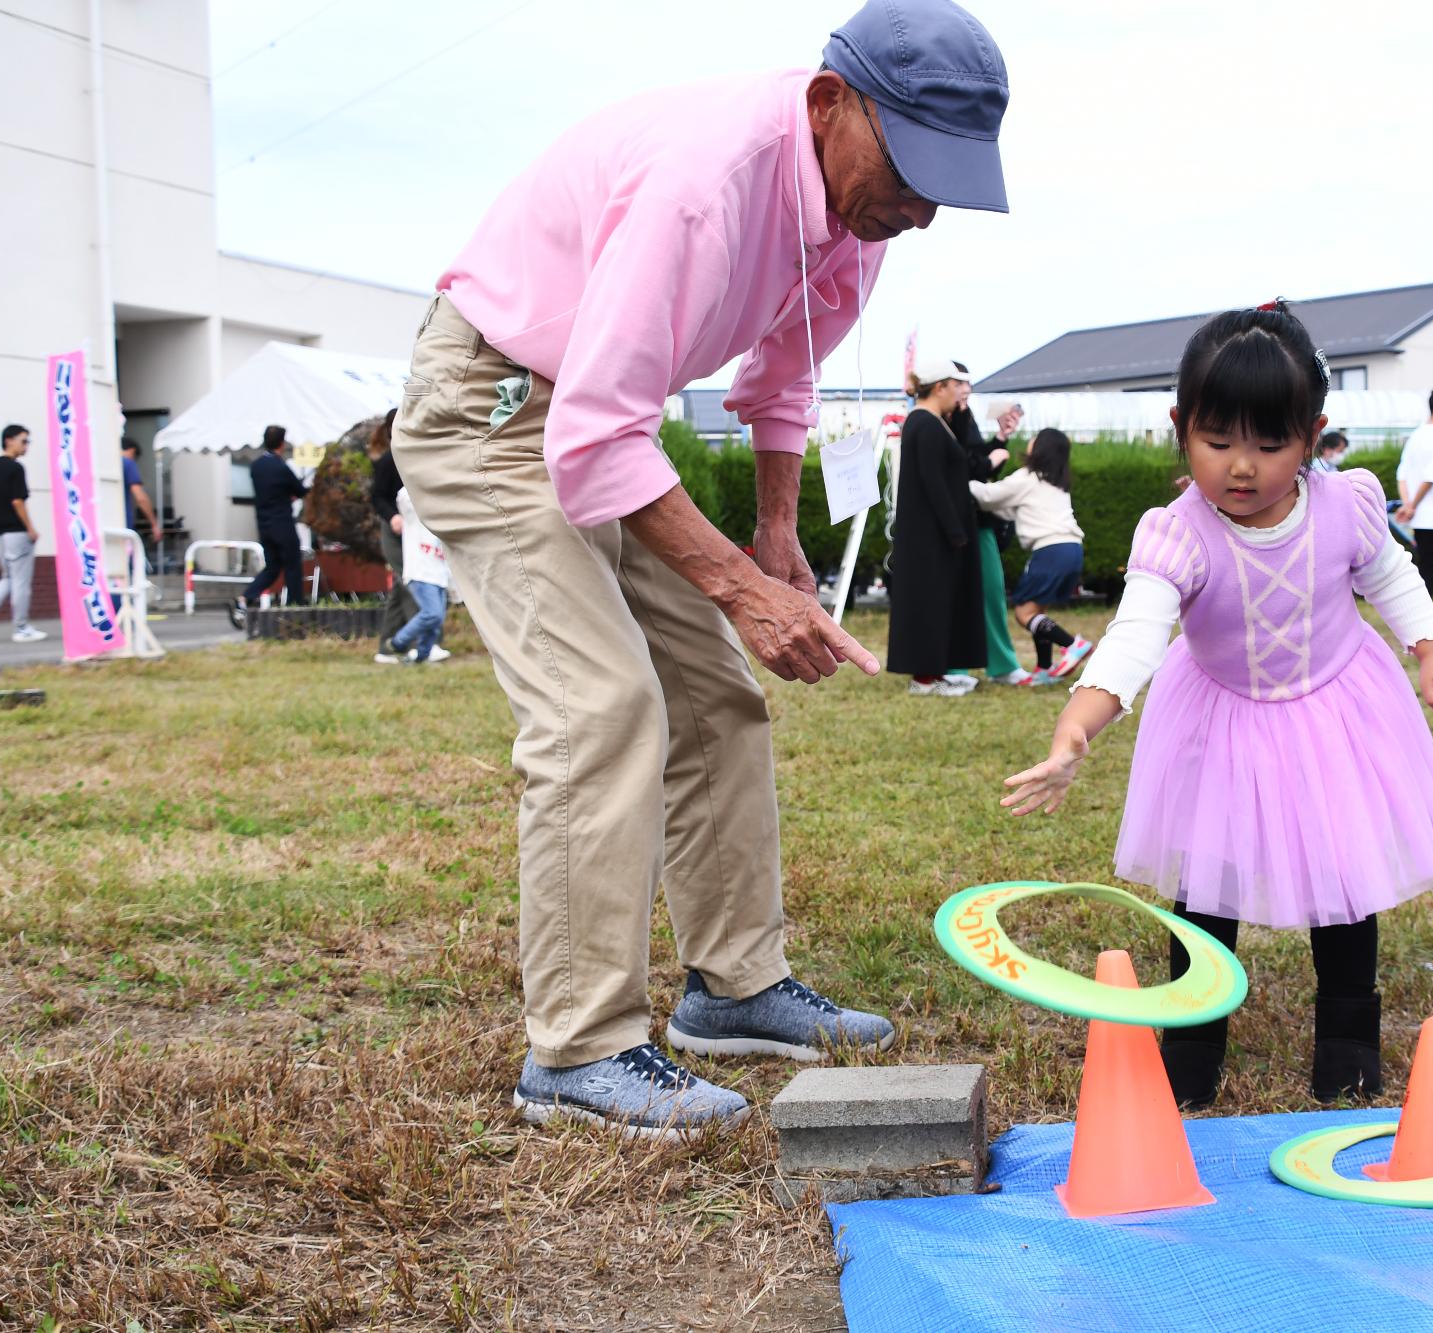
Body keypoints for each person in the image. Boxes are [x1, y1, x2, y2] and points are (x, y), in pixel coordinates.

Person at [392, 0, 1010, 1139]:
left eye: (947, 180)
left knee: (717, 697)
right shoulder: (702, 189)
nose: (921, 208)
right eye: (912, 168)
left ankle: (735, 990)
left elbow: (781, 385)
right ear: (831, 106)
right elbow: (588, 436)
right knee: (601, 705)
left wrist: (774, 541)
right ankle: (576, 1050)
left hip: (591, 416)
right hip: (490, 407)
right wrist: (737, 586)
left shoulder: (854, 218)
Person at [1001, 302, 1433, 1110]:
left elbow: (1391, 575)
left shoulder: (1346, 503)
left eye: (1270, 444)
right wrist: (1074, 727)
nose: (1243, 467)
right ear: (1180, 427)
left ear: (1312, 432)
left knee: (1344, 869)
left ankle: (1350, 1043)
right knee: (1209, 885)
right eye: (1219, 442)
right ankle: (1192, 1044)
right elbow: (1133, 638)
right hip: (1224, 714)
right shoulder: (1178, 534)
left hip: (1336, 705)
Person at [888, 356, 986, 695]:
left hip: (936, 534)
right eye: (955, 385)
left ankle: (937, 671)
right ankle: (925, 677)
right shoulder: (924, 423)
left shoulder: (932, 421)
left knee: (941, 600)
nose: (959, 392)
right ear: (939, 387)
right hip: (931, 536)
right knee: (930, 601)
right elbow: (933, 481)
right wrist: (954, 530)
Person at [969, 427, 1094, 683]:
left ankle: (1072, 644)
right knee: (1038, 611)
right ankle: (1044, 669)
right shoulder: (1057, 483)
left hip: (1050, 550)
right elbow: (1010, 510)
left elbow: (989, 497)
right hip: (1071, 549)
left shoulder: (1027, 477)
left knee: (1024, 613)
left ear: (1041, 447)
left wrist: (965, 479)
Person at [949, 375, 1030, 684]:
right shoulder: (932, 420)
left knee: (992, 589)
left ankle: (1002, 664)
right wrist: (991, 457)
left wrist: (999, 441)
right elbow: (965, 466)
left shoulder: (962, 416)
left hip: (975, 518)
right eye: (959, 390)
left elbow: (974, 463)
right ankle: (954, 668)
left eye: (968, 393)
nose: (964, 397)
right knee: (957, 595)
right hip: (952, 520)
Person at [231, 425, 309, 626]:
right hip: (282, 523)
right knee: (292, 566)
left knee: (272, 567)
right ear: (282, 444)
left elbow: (270, 490)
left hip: (264, 524)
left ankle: (245, 598)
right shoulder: (282, 468)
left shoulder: (256, 467)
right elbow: (300, 491)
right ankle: (294, 608)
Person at [368, 409, 425, 662]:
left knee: (404, 586)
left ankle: (388, 646)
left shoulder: (416, 457)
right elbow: (377, 497)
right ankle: (418, 643)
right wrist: (392, 516)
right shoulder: (388, 461)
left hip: (416, 530)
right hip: (394, 531)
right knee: (409, 582)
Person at [0, 424, 43, 643]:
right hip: (16, 532)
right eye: (23, 441)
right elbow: (18, 501)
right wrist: (30, 528)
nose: (26, 446)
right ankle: (21, 627)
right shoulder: (15, 469)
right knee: (21, 582)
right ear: (9, 440)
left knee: (8, 576)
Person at [1396, 387, 1433, 596]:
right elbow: (1432, 476)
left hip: (1418, 516)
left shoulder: (1416, 435)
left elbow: (1402, 474)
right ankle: (1425, 625)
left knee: (1423, 569)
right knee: (1428, 572)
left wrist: (1407, 504)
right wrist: (1411, 506)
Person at [385, 486, 451, 664]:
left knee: (436, 620)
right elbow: (404, 496)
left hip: (439, 573)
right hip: (420, 571)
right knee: (433, 614)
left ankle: (422, 656)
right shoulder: (413, 515)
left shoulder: (442, 519)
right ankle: (398, 642)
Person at [120, 438, 161, 545]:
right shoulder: (127, 463)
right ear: (132, 451)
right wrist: (154, 524)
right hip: (123, 527)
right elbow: (140, 498)